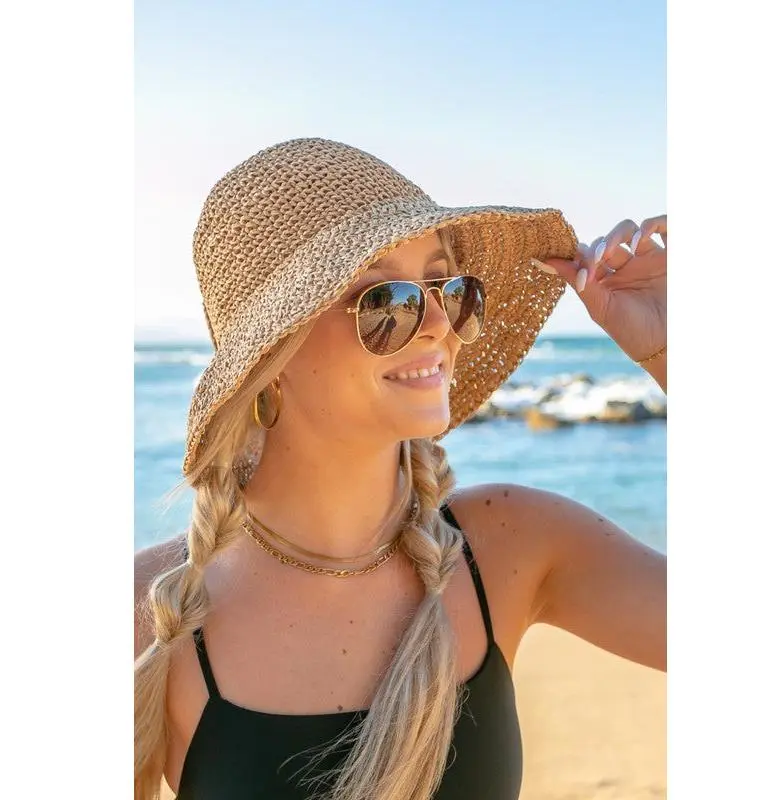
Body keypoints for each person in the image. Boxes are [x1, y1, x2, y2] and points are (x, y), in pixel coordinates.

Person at [134, 137, 667, 800]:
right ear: (270, 352)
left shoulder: (510, 546)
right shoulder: (153, 615)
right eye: (387, 301)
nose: (439, 323)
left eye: (450, 288)